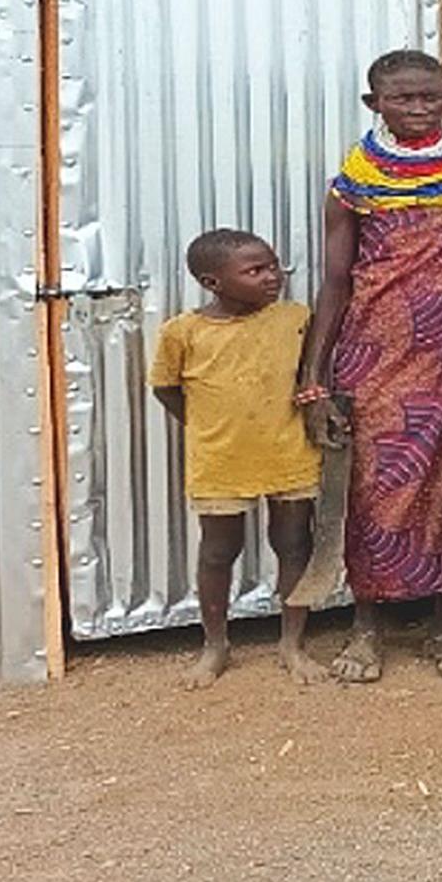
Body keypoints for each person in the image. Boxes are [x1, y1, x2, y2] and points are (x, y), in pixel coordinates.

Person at [296, 50, 442, 683]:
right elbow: (336, 282)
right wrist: (315, 379)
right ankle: (366, 626)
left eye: (432, 96)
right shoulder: (352, 187)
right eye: (404, 99)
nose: (421, 108)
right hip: (378, 355)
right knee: (375, 488)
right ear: (375, 104)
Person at [147, 229, 325, 687]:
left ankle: (292, 643)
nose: (272, 278)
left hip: (288, 453)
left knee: (293, 544)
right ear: (213, 282)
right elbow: (166, 388)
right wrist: (209, 426)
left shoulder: (295, 319)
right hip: (221, 460)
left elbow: (310, 375)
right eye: (255, 271)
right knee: (218, 551)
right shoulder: (182, 332)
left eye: (273, 266)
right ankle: (215, 645)